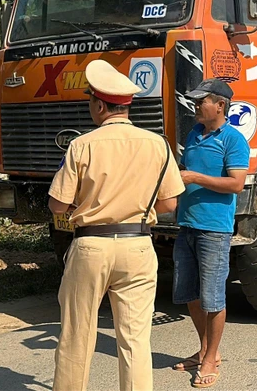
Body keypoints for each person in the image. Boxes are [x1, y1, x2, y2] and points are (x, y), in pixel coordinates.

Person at [48, 59, 185, 391]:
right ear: (126, 106)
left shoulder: (82, 145)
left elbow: (57, 205)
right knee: (135, 340)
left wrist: (86, 205)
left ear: (99, 105)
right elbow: (169, 204)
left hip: (91, 247)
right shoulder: (158, 144)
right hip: (138, 245)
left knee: (77, 336)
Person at [172, 79, 250, 389]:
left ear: (220, 105)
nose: (195, 106)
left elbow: (236, 184)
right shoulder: (194, 134)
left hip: (214, 229)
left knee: (213, 298)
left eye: (201, 101)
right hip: (187, 225)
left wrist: (194, 177)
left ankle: (211, 359)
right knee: (189, 293)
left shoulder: (233, 139)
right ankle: (205, 350)